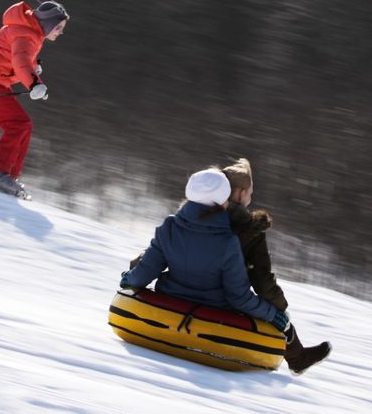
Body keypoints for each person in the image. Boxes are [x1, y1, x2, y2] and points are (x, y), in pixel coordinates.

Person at [120, 167, 292, 335]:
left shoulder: (169, 228)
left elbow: (144, 272)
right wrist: (272, 314)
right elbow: (239, 297)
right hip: (212, 316)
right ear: (223, 200)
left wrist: (129, 277)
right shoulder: (228, 242)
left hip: (168, 303)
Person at [221, 158, 331, 376]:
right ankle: (296, 356)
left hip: (185, 286)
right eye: (250, 193)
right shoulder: (250, 230)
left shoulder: (196, 217)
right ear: (242, 194)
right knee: (276, 315)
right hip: (227, 298)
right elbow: (262, 279)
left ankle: (297, 356)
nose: (251, 198)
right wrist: (281, 307)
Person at [0, 0, 69, 195]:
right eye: (59, 28)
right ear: (48, 24)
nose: (61, 32)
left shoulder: (30, 32)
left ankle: (7, 176)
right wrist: (34, 83)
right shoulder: (26, 35)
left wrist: (33, 68)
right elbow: (20, 62)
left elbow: (20, 58)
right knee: (18, 124)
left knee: (24, 125)